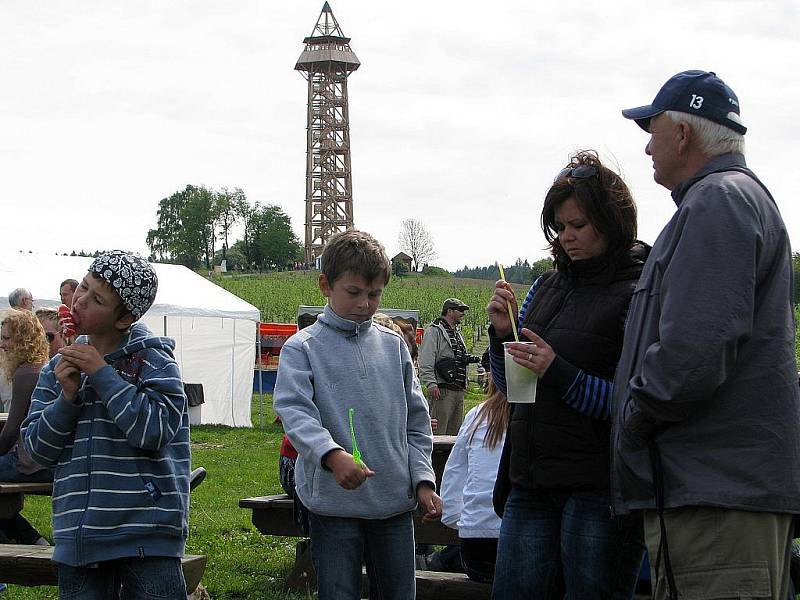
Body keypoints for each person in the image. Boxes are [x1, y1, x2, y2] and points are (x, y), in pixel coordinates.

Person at [613, 70, 800, 600]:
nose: (647, 145)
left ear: (683, 134)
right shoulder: (731, 199)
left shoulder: (717, 201)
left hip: (716, 498)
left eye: (653, 127)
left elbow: (694, 351)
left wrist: (635, 416)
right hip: (719, 489)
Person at [487, 150, 647, 599]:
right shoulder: (546, 286)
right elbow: (514, 389)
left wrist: (558, 371)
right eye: (560, 227)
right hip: (531, 480)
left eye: (578, 225)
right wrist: (502, 336)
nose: (567, 237)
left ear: (611, 221)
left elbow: (632, 404)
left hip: (599, 488)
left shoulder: (637, 292)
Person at [273, 230, 441, 600]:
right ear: (325, 285)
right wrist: (333, 457)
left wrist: (423, 480)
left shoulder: (394, 344)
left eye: (374, 294)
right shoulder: (302, 348)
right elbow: (295, 413)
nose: (365, 303)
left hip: (395, 504)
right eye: (354, 292)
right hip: (334, 506)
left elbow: (416, 421)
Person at [22, 251, 190, 599]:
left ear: (125, 317)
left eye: (97, 299)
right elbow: (36, 452)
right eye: (83, 286)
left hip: (146, 534)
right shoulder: (59, 368)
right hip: (79, 537)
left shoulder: (153, 360)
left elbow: (156, 430)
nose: (80, 300)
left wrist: (103, 376)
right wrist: (65, 401)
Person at [438, 376, 509, 583]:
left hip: (476, 549)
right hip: (521, 545)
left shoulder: (476, 416)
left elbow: (451, 488)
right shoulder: (540, 416)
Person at [0, 309, 51, 546]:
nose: (2, 344)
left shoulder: (25, 373)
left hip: (31, 463)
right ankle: (32, 538)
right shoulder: (43, 366)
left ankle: (20, 542)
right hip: (47, 461)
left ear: (23, 340)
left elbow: (11, 432)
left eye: (7, 338)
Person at [419, 298, 480, 435]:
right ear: (449, 311)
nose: (463, 313)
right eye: (460, 310)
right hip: (442, 390)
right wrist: (431, 383)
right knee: (439, 434)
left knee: (454, 434)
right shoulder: (434, 331)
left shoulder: (456, 334)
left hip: (458, 389)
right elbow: (426, 359)